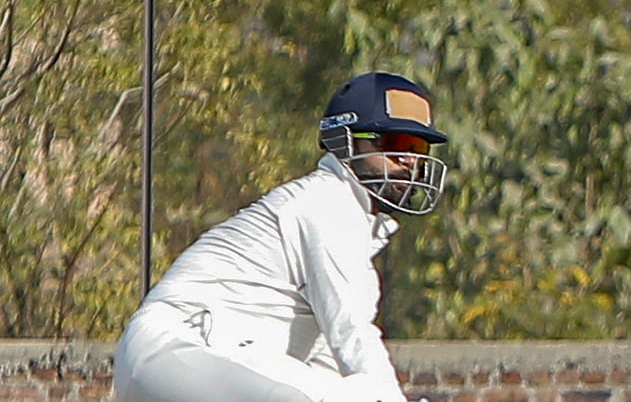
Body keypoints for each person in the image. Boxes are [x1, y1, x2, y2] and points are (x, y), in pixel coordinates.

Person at [113, 72, 449, 402]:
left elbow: (334, 366)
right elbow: (353, 336)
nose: (409, 161)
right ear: (345, 140)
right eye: (395, 144)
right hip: (178, 347)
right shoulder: (328, 203)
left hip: (204, 357)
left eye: (417, 146)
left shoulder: (354, 236)